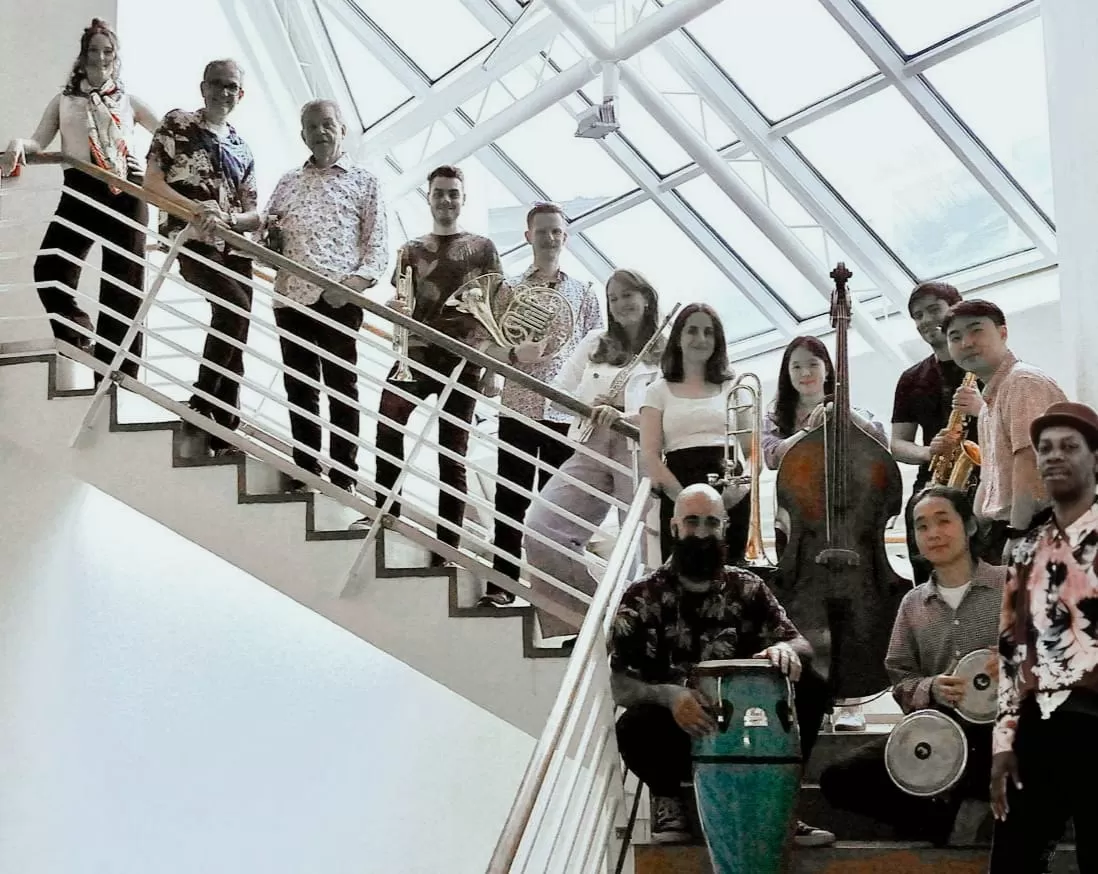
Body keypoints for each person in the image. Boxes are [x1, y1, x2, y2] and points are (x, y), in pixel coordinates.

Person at [610, 484, 834, 848]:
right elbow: (620, 685)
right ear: (673, 528)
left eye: (711, 523)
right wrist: (669, 695)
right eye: (692, 522)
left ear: (725, 527)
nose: (701, 533)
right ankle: (668, 798)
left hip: (750, 728)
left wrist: (784, 649)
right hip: (681, 733)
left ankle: (784, 803)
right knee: (634, 724)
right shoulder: (640, 596)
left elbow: (799, 642)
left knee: (810, 684)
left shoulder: (748, 586)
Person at [818, 485, 1004, 845]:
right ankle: (944, 818)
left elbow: (1055, 652)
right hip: (936, 731)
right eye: (921, 526)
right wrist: (931, 687)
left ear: (969, 526)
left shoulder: (1010, 585)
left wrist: (1015, 658)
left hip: (1004, 729)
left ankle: (971, 805)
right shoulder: (912, 604)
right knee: (838, 779)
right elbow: (901, 679)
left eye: (943, 521)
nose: (933, 534)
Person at [356, 165, 500, 562]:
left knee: (453, 451)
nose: (447, 200)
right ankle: (386, 510)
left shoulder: (483, 247)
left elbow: (495, 305)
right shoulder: (410, 250)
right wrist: (395, 309)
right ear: (429, 197)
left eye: (453, 193)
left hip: (463, 359)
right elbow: (403, 301)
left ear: (463, 199)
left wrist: (488, 366)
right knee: (388, 423)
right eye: (440, 193)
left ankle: (446, 545)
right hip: (416, 353)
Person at [3, 18, 158, 377]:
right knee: (49, 269)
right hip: (80, 189)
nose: (100, 58)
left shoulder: (128, 101)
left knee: (124, 284)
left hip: (125, 191)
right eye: (94, 50)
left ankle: (118, 374)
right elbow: (38, 142)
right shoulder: (66, 100)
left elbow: (170, 139)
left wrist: (148, 169)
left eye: (108, 51)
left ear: (115, 57)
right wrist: (15, 145)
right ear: (83, 55)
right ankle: (77, 332)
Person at [522, 269, 662, 645]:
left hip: (638, 447)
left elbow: (672, 409)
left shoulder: (669, 351)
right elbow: (556, 395)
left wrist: (626, 416)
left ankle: (642, 634)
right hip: (592, 442)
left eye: (629, 294)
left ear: (646, 297)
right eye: (614, 297)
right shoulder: (595, 342)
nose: (621, 303)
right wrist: (591, 405)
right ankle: (590, 622)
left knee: (644, 547)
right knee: (542, 527)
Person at [989, 401, 1098, 873]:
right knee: (1014, 864)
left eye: (1069, 447)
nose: (1054, 456)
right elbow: (1011, 652)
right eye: (1045, 448)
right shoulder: (1027, 548)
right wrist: (1003, 744)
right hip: (1038, 727)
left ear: (1095, 457)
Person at [477, 202, 603, 607]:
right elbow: (489, 347)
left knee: (557, 508)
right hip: (518, 405)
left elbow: (594, 353)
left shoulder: (583, 293)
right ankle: (503, 584)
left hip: (564, 411)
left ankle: (555, 595)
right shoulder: (509, 289)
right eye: (542, 231)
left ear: (564, 238)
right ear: (527, 236)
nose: (550, 238)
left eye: (556, 232)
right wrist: (516, 355)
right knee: (510, 498)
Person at [760, 335, 888, 732]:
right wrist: (808, 433)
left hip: (850, 530)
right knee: (801, 615)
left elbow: (880, 441)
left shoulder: (847, 407)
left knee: (854, 614)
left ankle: (850, 698)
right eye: (796, 366)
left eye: (812, 365)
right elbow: (770, 455)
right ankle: (810, 699)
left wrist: (844, 416)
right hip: (802, 531)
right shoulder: (777, 415)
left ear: (828, 369)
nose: (804, 373)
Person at [262, 99, 388, 494]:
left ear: (342, 129)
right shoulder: (287, 182)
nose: (320, 132)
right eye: (312, 126)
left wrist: (350, 288)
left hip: (337, 299)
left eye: (327, 124)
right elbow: (267, 231)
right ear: (303, 134)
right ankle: (305, 471)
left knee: (341, 387)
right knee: (299, 387)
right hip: (290, 297)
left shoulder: (365, 182)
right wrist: (269, 238)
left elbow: (377, 247)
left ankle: (343, 476)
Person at [145, 58, 262, 456]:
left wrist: (230, 219)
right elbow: (152, 182)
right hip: (191, 239)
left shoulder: (242, 146)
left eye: (231, 86)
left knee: (238, 327)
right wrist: (194, 210)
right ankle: (200, 404)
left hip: (234, 246)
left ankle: (224, 429)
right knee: (234, 308)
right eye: (216, 84)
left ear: (240, 94)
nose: (223, 92)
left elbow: (251, 212)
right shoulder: (178, 124)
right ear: (202, 87)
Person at [942, 300, 1067, 564]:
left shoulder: (1021, 382)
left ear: (1003, 332)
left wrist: (1018, 533)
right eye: (956, 337)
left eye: (976, 330)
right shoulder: (990, 400)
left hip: (1039, 526)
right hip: (1013, 527)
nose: (966, 343)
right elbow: (993, 474)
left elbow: (1029, 461)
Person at [639, 303, 752, 566]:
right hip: (678, 485)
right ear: (678, 337)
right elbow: (650, 455)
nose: (700, 339)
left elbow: (752, 450)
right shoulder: (657, 391)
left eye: (708, 332)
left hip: (730, 490)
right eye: (692, 331)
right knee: (682, 573)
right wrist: (683, 500)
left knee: (729, 571)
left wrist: (740, 489)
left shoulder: (735, 385)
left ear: (718, 340)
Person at [890, 282, 979, 584]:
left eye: (933, 310)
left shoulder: (983, 367)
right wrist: (928, 452)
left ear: (956, 309)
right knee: (930, 584)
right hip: (933, 485)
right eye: (917, 315)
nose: (925, 320)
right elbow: (898, 444)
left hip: (985, 490)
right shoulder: (911, 378)